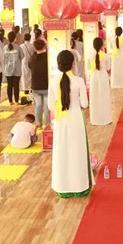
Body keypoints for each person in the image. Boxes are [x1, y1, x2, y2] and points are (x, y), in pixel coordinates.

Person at [50, 50, 92, 198]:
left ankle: (63, 186)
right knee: (77, 151)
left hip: (60, 121)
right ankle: (79, 186)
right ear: (73, 63)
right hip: (76, 119)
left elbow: (50, 105)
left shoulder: (53, 81)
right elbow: (85, 104)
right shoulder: (79, 81)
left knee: (62, 151)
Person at [89, 37, 112, 126]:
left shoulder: (90, 55)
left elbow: (88, 67)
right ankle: (106, 118)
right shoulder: (106, 56)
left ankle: (95, 119)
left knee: (94, 97)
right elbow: (108, 68)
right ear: (102, 45)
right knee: (104, 96)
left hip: (94, 77)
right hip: (103, 77)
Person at [29, 40, 50, 127]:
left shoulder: (31, 59)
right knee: (46, 106)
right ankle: (48, 124)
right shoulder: (48, 58)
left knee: (38, 106)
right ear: (44, 46)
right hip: (46, 85)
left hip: (35, 86)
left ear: (34, 48)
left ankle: (38, 124)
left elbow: (30, 67)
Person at [3, 32, 24, 106]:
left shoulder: (5, 48)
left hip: (8, 69)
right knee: (16, 86)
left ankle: (10, 101)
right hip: (17, 69)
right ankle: (16, 101)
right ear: (15, 38)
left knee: (9, 85)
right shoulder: (18, 47)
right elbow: (22, 56)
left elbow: (3, 58)